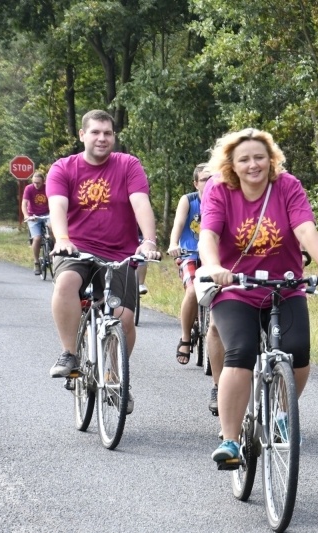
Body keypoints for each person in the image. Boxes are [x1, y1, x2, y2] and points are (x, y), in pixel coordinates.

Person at [198, 127, 318, 464]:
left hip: (284, 285)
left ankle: (279, 413)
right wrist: (214, 266)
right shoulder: (219, 190)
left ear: (271, 159)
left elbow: (305, 228)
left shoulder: (287, 186)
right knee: (242, 350)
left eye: (259, 157)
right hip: (236, 287)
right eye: (244, 159)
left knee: (297, 351)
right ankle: (231, 440)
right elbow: (208, 234)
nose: (253, 165)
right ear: (231, 164)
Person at [46, 109, 162, 415]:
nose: (102, 138)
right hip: (77, 249)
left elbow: (141, 203)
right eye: (95, 132)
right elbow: (57, 206)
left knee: (124, 318)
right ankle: (69, 354)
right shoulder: (63, 168)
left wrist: (148, 241)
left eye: (107, 133)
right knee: (67, 282)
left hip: (121, 251)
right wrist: (62, 238)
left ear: (114, 137)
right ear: (82, 135)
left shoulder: (127, 165)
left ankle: (114, 376)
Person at [166, 163, 226, 415]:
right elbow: (179, 224)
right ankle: (186, 338)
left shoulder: (224, 197)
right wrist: (172, 244)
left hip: (214, 258)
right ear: (195, 183)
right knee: (192, 290)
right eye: (203, 179)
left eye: (212, 178)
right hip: (191, 254)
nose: (208, 183)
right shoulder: (189, 201)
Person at [22, 171, 51, 274]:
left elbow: (53, 200)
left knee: (52, 229)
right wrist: (26, 216)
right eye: (34, 182)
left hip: (47, 214)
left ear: (43, 182)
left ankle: (53, 254)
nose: (36, 185)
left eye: (38, 182)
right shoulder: (29, 188)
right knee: (37, 238)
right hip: (33, 215)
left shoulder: (48, 187)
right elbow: (24, 203)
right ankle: (36, 262)